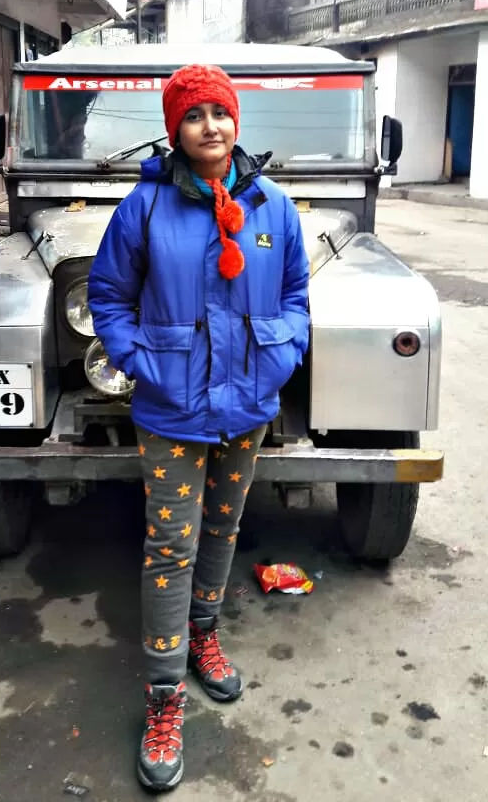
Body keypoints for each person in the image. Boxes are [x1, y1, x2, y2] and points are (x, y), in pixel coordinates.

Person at [88, 64, 310, 792]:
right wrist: (140, 360)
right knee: (171, 545)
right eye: (193, 115)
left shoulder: (273, 206)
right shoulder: (145, 206)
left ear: (235, 120)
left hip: (247, 403)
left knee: (223, 528)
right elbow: (108, 296)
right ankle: (164, 694)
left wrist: (283, 353)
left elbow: (297, 293)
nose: (210, 126)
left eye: (220, 112)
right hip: (172, 407)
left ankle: (204, 637)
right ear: (175, 129)